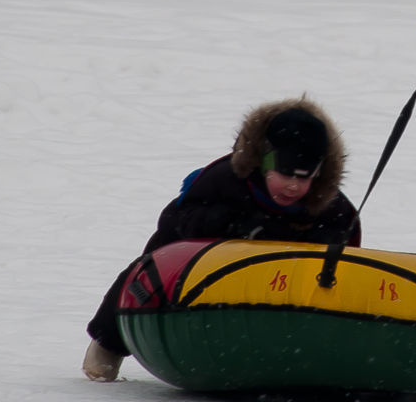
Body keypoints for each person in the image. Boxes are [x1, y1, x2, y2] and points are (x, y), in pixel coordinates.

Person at [81, 99, 358, 382]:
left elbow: (348, 249)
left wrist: (320, 245)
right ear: (264, 161)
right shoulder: (225, 179)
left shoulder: (330, 205)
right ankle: (108, 343)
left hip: (281, 280)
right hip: (203, 264)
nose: (293, 186)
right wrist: (230, 224)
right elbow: (174, 220)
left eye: (305, 178)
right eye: (284, 173)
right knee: (144, 273)